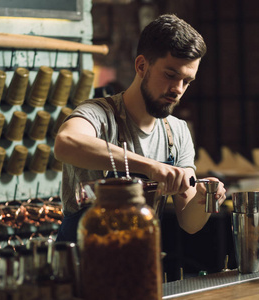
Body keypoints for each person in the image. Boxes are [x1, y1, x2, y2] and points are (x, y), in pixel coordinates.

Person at [54, 14, 227, 242]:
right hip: (82, 262)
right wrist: (151, 167)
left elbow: (189, 223)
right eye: (170, 75)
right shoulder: (99, 114)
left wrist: (203, 200)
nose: (178, 89)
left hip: (137, 258)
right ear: (142, 66)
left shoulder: (177, 132)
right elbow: (66, 143)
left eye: (186, 81)